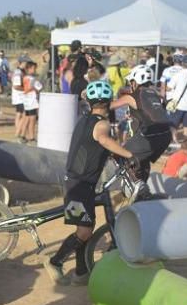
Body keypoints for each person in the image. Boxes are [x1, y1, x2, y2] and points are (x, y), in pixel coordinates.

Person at [44, 80, 138, 285]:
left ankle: (81, 272)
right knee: (84, 231)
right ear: (108, 102)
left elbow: (95, 146)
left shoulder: (84, 120)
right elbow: (104, 140)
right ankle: (55, 262)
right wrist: (129, 155)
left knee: (85, 228)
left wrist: (115, 156)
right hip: (79, 185)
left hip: (77, 182)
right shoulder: (102, 124)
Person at [111, 64, 174, 197]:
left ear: (136, 81)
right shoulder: (155, 94)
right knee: (143, 160)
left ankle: (138, 187)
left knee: (119, 154)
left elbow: (110, 106)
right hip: (165, 136)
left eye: (131, 81)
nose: (130, 84)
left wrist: (91, 102)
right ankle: (143, 191)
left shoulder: (132, 96)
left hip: (149, 135)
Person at [164, 54, 187, 141]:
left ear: (182, 64)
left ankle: (175, 141)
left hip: (178, 105)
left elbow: (169, 88)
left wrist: (163, 88)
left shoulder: (178, 75)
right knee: (186, 127)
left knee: (173, 126)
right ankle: (186, 144)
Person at [20, 60, 43, 143]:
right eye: (33, 68)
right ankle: (31, 137)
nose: (34, 70)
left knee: (27, 118)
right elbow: (39, 87)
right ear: (28, 69)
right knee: (32, 119)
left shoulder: (25, 78)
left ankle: (23, 135)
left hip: (26, 100)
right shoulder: (32, 79)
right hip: (32, 101)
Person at [11, 57, 27, 141]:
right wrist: (26, 89)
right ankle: (18, 134)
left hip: (19, 96)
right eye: (26, 62)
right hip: (20, 97)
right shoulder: (18, 72)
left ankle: (18, 133)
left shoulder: (21, 72)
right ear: (22, 63)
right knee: (22, 114)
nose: (27, 64)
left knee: (19, 114)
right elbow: (16, 86)